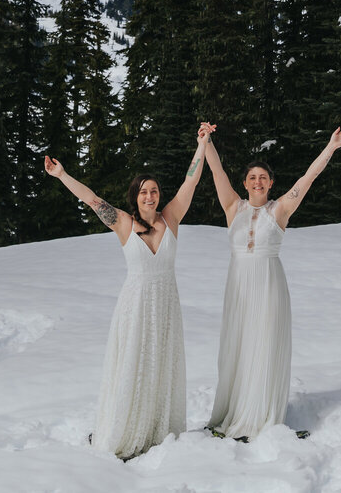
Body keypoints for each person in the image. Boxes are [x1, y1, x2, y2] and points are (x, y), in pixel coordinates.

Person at [44, 123, 213, 459]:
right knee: (133, 363)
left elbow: (191, 179)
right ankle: (123, 431)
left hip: (165, 303)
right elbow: (91, 199)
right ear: (135, 197)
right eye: (143, 192)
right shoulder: (122, 222)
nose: (149, 196)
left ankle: (156, 429)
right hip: (136, 304)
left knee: (160, 364)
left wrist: (203, 143)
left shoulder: (171, 218)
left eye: (153, 190)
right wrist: (62, 175)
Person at [200, 125, 341, 439]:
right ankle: (236, 411)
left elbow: (307, 179)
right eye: (252, 177)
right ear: (244, 183)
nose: (257, 181)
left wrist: (331, 147)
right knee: (240, 346)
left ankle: (262, 417)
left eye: (263, 177)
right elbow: (215, 170)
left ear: (271, 183)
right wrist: (207, 141)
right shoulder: (233, 207)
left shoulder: (280, 210)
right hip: (239, 286)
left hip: (269, 285)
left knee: (264, 345)